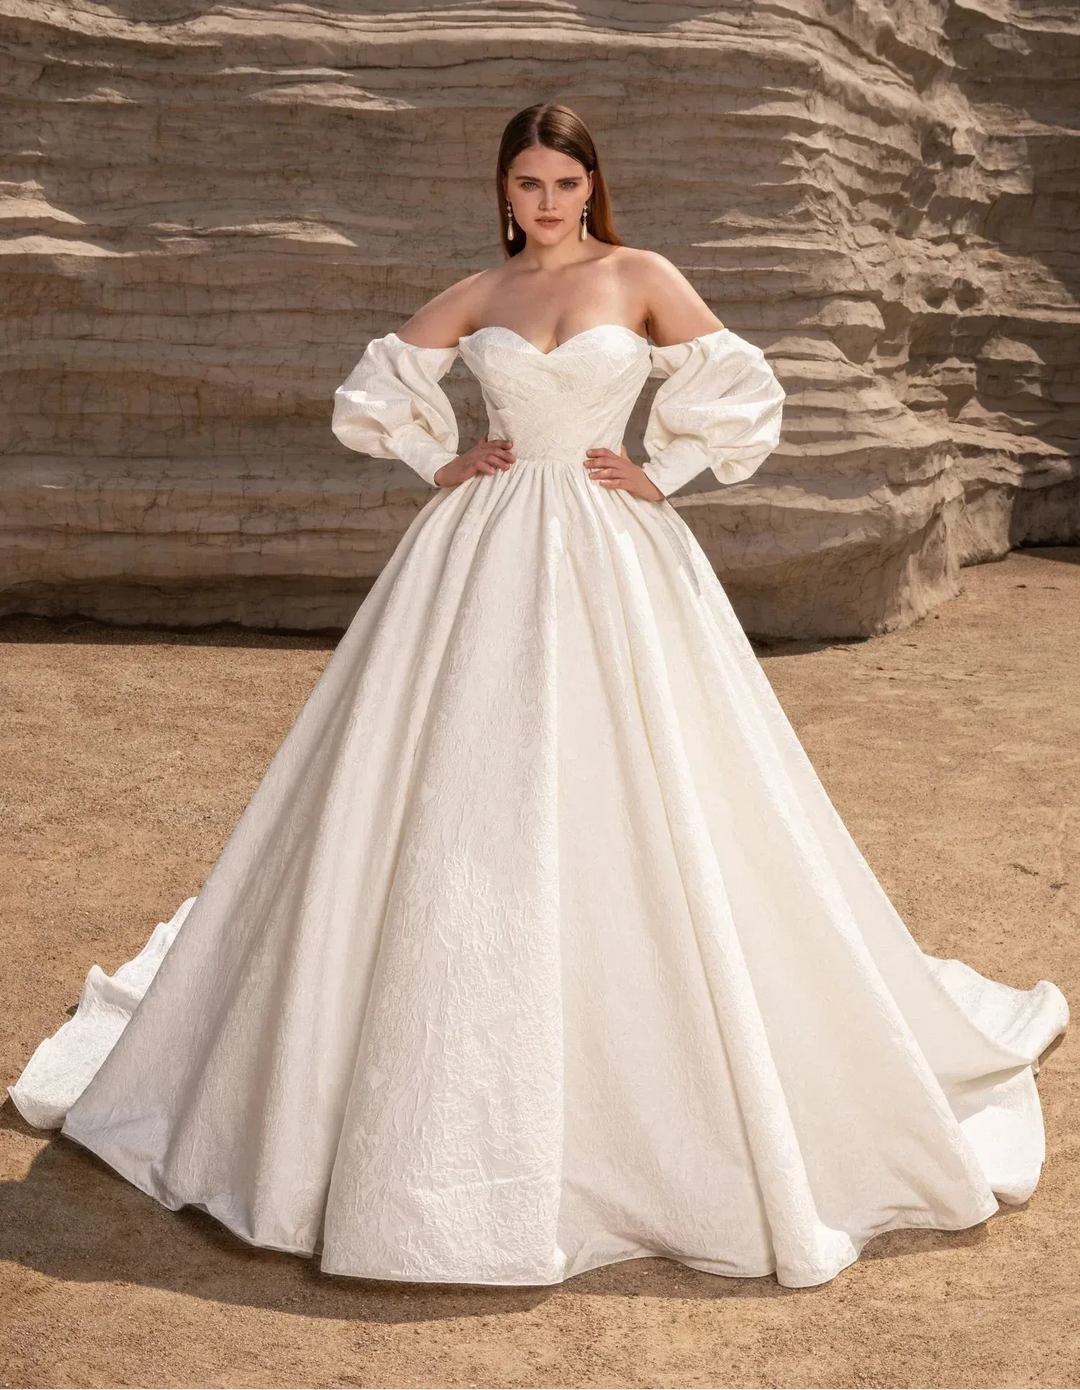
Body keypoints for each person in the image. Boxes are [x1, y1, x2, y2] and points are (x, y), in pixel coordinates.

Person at [8, 103, 1068, 1291]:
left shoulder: (641, 275)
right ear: (504, 190)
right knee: (454, 782)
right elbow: (372, 393)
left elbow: (745, 385)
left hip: (614, 549)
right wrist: (439, 459)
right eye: (529, 182)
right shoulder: (480, 294)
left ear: (591, 185)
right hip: (485, 550)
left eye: (567, 181)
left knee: (650, 780)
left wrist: (664, 469)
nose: (549, 201)